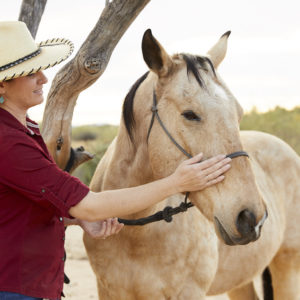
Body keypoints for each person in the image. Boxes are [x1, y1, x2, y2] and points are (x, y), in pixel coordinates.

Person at [0, 21, 232, 300]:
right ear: (3, 84)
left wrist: (75, 219)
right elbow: (91, 204)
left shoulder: (26, 128)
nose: (43, 78)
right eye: (30, 73)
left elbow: (22, 202)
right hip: (14, 288)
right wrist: (176, 182)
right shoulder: (7, 142)